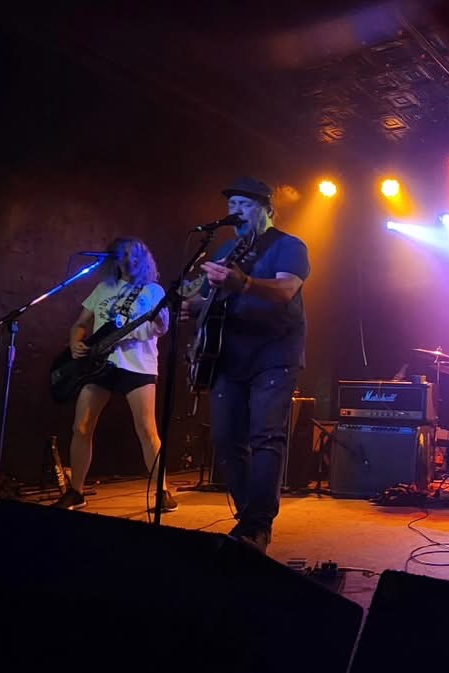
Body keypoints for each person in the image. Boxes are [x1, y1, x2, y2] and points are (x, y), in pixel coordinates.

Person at [181, 176, 309, 554]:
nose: (235, 211)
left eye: (245, 204)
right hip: (228, 355)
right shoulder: (226, 249)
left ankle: (258, 525)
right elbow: (212, 299)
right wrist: (193, 307)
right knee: (225, 438)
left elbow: (286, 290)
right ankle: (248, 516)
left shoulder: (288, 245)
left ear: (267, 210)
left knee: (266, 436)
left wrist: (245, 283)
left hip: (275, 352)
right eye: (232, 204)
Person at [53, 237, 174, 512]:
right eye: (122, 255)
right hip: (99, 365)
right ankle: (76, 491)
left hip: (138, 366)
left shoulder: (152, 291)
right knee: (81, 427)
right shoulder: (103, 288)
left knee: (147, 430)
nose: (128, 260)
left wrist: (159, 319)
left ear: (143, 259)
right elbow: (80, 324)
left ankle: (162, 491)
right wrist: (75, 342)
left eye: (134, 255)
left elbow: (161, 328)